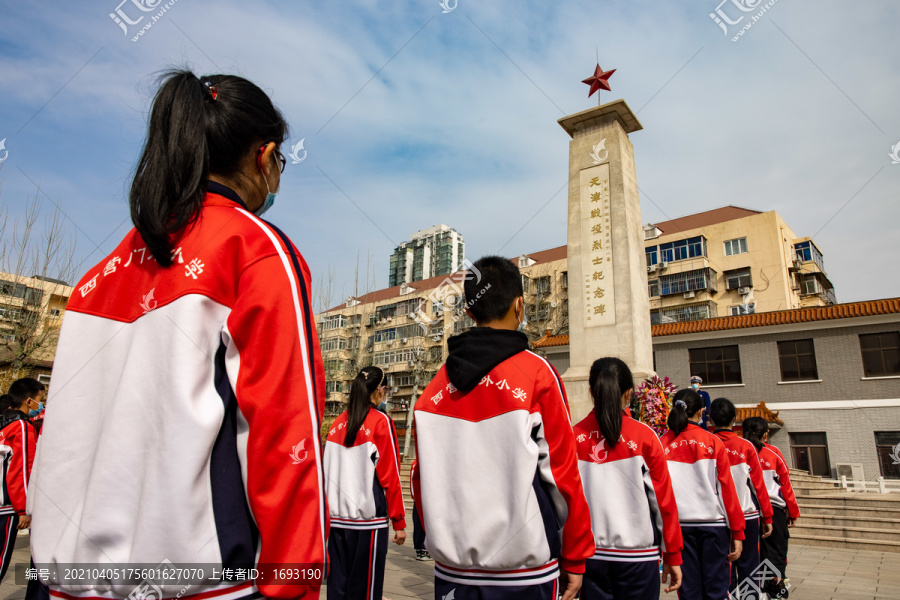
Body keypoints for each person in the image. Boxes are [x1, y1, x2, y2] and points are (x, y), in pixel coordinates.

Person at [28, 70, 327, 600]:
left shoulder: (95, 280)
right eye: (280, 163)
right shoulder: (254, 250)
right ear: (265, 156)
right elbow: (286, 434)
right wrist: (294, 584)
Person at [412, 256, 594, 600]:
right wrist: (576, 553)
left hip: (452, 571)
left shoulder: (433, 389)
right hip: (523, 571)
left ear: (468, 311)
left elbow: (421, 478)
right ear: (520, 304)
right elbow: (563, 475)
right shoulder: (538, 375)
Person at [574, 357, 683, 599]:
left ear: (591, 391)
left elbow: (565, 504)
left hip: (589, 557)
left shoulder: (574, 437)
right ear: (630, 394)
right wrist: (672, 553)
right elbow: (663, 501)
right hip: (637, 557)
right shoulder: (645, 437)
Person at [323, 366, 406, 600]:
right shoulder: (381, 422)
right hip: (368, 522)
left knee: (337, 589)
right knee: (365, 592)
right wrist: (399, 520)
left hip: (336, 522)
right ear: (380, 391)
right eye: (386, 389)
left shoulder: (336, 425)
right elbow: (390, 474)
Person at [661, 389, 745, 600]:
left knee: (688, 591)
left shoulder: (662, 442)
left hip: (679, 526)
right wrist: (737, 531)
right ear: (701, 413)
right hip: (713, 525)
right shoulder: (712, 441)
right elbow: (727, 489)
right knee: (717, 589)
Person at [709, 399, 775, 593]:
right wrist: (767, 516)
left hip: (718, 518)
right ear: (735, 418)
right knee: (749, 568)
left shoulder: (708, 444)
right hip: (747, 515)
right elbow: (758, 486)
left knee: (723, 570)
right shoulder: (746, 447)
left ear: (710, 418)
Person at [742, 417, 800, 599]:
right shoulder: (773, 453)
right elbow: (785, 484)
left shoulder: (739, 452)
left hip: (749, 509)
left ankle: (755, 591)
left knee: (754, 552)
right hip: (774, 510)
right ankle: (775, 587)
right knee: (776, 551)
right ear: (766, 434)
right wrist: (793, 511)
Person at [0, 384, 40, 582]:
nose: (40, 404)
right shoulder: (22, 427)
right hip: (7, 504)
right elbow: (22, 468)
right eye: (39, 398)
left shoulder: (4, 425)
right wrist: (23, 509)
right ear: (28, 400)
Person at [410, 460, 432, 561]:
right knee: (422, 525)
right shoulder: (417, 464)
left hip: (420, 499)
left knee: (421, 525)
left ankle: (422, 549)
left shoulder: (416, 463)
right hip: (423, 499)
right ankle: (422, 550)